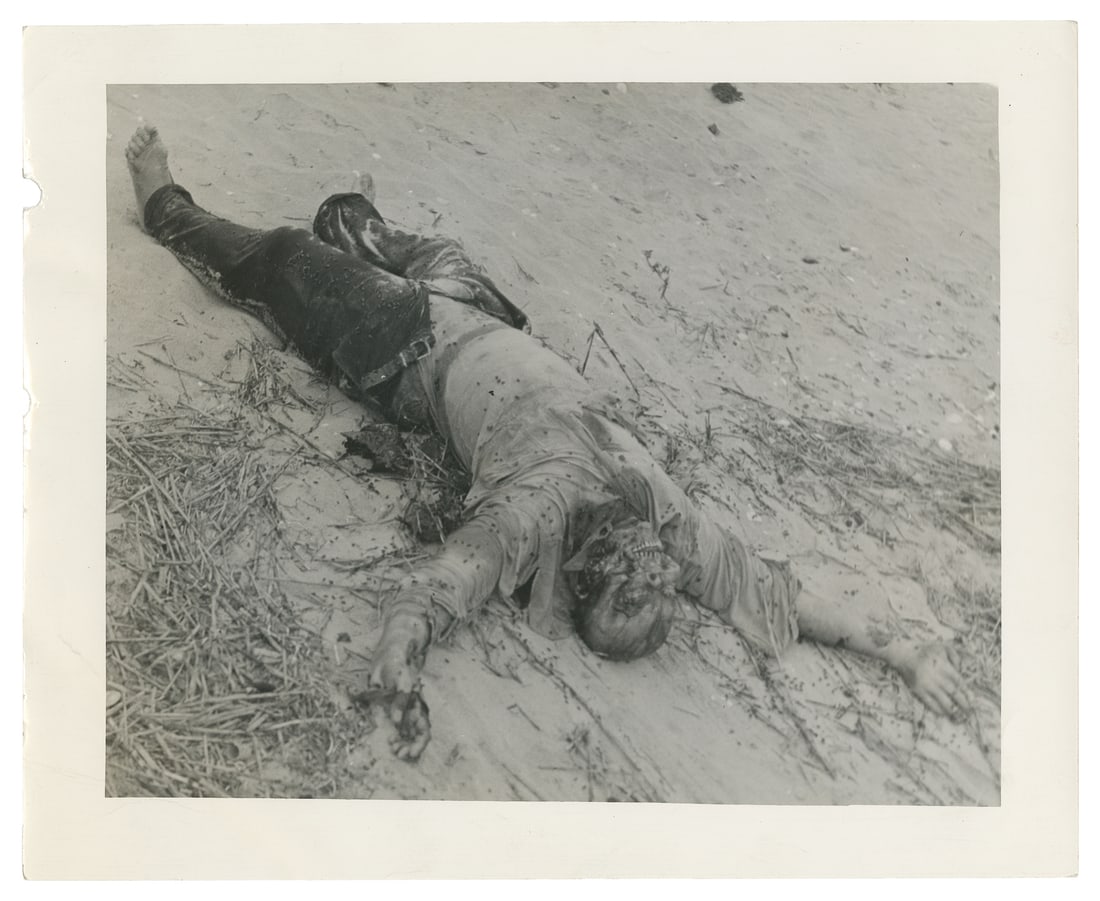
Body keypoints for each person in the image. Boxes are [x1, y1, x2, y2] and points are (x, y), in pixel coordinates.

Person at [125, 125, 971, 762]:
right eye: (659, 570)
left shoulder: (535, 513)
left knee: (281, 258)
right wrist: (897, 651)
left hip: (403, 342)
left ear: (591, 567)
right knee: (393, 236)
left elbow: (438, 590)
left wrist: (396, 672)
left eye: (631, 575)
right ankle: (356, 222)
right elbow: (774, 591)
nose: (655, 559)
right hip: (483, 314)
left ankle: (167, 209)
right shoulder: (658, 515)